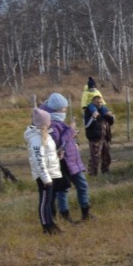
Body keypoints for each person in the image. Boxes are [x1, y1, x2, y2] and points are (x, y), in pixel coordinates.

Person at [41, 92, 93, 222]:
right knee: (63, 189)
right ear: (57, 108)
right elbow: (58, 142)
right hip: (63, 162)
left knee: (82, 186)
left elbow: (64, 138)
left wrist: (71, 134)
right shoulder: (50, 123)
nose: (65, 110)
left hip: (73, 160)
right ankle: (65, 215)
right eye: (64, 108)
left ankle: (86, 213)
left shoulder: (58, 120)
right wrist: (70, 130)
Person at [25, 107, 63, 235]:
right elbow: (38, 160)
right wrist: (46, 178)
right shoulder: (36, 139)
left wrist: (57, 155)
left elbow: (47, 154)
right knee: (44, 201)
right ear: (43, 123)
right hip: (44, 176)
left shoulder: (45, 135)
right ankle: (46, 226)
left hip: (50, 173)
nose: (50, 122)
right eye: (48, 121)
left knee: (49, 200)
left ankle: (50, 223)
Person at [83, 93, 115, 175]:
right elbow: (87, 125)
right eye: (98, 102)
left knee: (106, 155)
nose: (99, 104)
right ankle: (92, 173)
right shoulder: (89, 111)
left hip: (105, 137)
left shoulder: (104, 110)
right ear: (93, 102)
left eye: (101, 102)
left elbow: (110, 123)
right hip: (95, 137)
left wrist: (111, 117)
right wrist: (93, 118)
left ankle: (105, 171)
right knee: (95, 157)